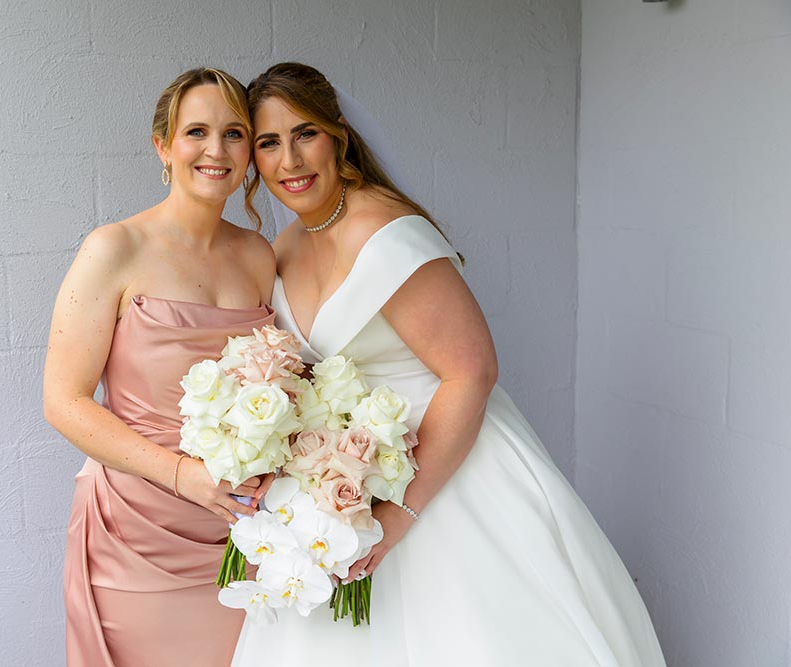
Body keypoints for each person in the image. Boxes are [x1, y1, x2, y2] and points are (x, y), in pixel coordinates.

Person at [232, 62, 666, 667]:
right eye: (268, 143)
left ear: (338, 135)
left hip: (442, 473)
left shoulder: (388, 233)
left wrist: (397, 516)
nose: (290, 161)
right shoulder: (285, 247)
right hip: (340, 485)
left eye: (304, 133)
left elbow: (473, 372)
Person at [43, 67, 277, 667]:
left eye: (234, 133)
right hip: (138, 530)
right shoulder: (114, 249)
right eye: (196, 131)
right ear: (164, 146)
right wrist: (182, 476)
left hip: (237, 529)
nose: (215, 149)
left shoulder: (258, 255)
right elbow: (63, 401)